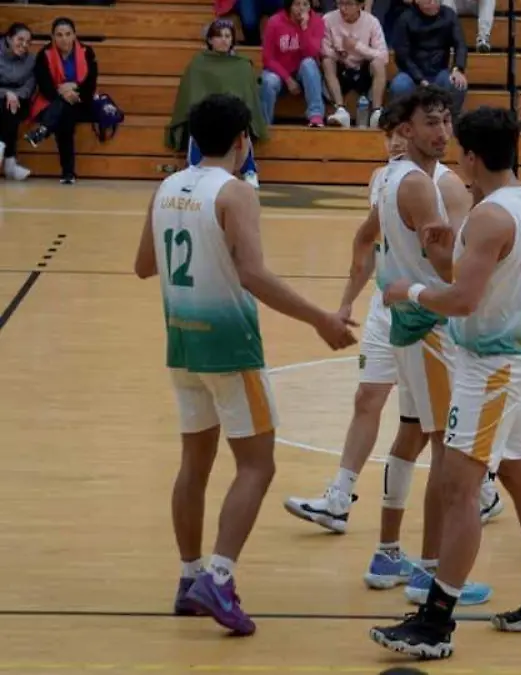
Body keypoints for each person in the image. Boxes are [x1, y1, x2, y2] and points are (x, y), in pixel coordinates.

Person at [132, 93, 358, 635]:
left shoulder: (166, 188)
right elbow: (253, 274)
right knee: (257, 465)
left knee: (195, 464)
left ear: (192, 139)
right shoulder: (235, 192)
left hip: (182, 344)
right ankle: (219, 577)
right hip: (230, 347)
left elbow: (143, 266)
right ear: (243, 141)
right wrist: (320, 319)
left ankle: (189, 577)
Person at [369, 106, 521, 659]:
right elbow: (483, 272)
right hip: (508, 359)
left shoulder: (489, 217)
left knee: (458, 490)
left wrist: (409, 291)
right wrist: (448, 246)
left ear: (471, 157)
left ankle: (436, 622)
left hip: (490, 367)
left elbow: (462, 299)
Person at [283, 92, 501, 605]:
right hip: (428, 324)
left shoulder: (393, 179)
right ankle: (431, 570)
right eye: (431, 123)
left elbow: (374, 239)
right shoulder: (425, 185)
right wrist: (485, 259)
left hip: (405, 319)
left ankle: (390, 552)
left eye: (446, 122)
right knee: (445, 448)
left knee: (415, 435)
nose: (442, 132)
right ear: (405, 130)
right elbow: (448, 267)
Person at [167, 19, 266, 189]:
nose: (224, 40)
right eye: (219, 36)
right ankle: (194, 170)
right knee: (198, 124)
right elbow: (191, 95)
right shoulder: (198, 63)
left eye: (227, 36)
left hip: (232, 115)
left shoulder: (242, 64)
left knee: (241, 126)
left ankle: (249, 170)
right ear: (210, 40)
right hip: (206, 114)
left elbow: (247, 97)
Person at [24, 17, 97, 185]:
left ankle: (43, 130)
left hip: (81, 101)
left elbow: (90, 85)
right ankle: (68, 172)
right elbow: (45, 87)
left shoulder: (87, 52)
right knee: (65, 115)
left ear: (74, 35)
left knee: (65, 111)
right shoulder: (44, 54)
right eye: (59, 35)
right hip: (52, 101)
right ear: (53, 37)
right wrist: (63, 93)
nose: (64, 39)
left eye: (68, 34)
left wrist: (74, 89)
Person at [389, 0, 469, 118]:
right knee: (399, 86)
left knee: (458, 84)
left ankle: (450, 121)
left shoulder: (449, 15)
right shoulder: (405, 18)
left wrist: (458, 69)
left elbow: (460, 44)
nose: (432, 3)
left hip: (439, 72)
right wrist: (420, 79)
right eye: (428, 0)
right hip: (411, 74)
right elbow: (402, 56)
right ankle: (402, 122)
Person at [321, 0, 389, 128]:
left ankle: (376, 112)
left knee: (378, 64)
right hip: (340, 66)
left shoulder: (372, 22)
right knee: (327, 61)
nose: (343, 8)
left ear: (360, 5)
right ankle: (340, 109)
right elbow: (323, 49)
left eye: (348, 4)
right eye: (340, 3)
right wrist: (340, 53)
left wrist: (357, 46)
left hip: (363, 68)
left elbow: (384, 56)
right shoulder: (328, 19)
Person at [260, 0, 327, 127]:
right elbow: (267, 58)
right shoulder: (275, 22)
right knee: (268, 81)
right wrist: (287, 79)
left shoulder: (317, 21)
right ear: (290, 6)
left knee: (309, 63)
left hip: (302, 73)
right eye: (297, 4)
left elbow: (312, 53)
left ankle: (316, 116)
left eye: (305, 4)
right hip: (279, 72)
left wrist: (304, 28)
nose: (301, 8)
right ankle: (263, 125)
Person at [0, 22, 34, 181]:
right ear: (8, 38)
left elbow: (29, 86)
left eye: (28, 42)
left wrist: (15, 95)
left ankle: (2, 149)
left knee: (11, 109)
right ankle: (10, 162)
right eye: (20, 39)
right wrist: (6, 93)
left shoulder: (31, 60)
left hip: (19, 99)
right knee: (5, 107)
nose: (24, 45)